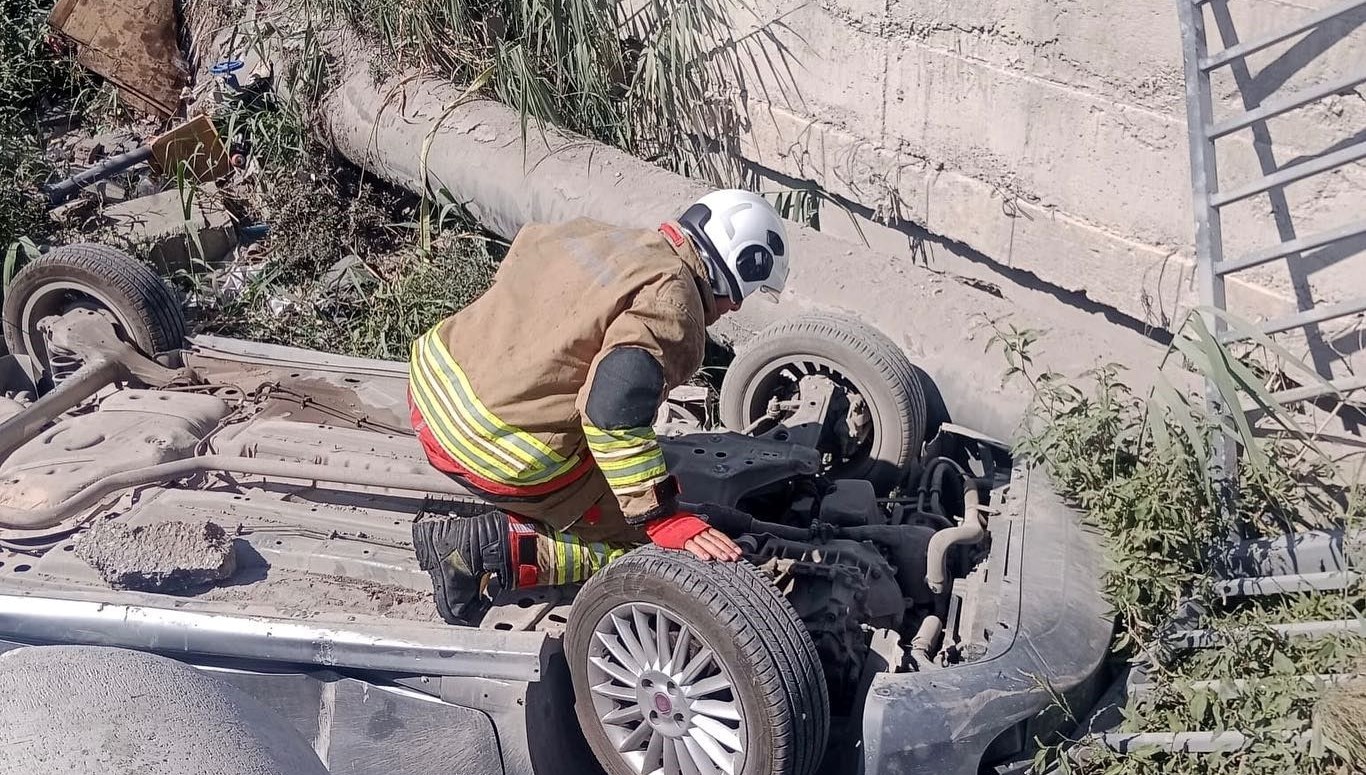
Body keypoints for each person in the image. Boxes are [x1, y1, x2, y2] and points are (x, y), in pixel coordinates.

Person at [407, 189, 792, 624]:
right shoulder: (673, 305)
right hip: (493, 446)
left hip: (432, 383)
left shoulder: (600, 234)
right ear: (733, 268)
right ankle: (483, 550)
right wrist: (661, 519)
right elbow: (611, 413)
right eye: (744, 292)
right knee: (662, 546)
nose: (736, 306)